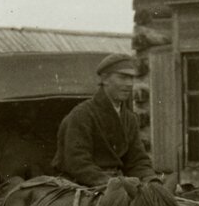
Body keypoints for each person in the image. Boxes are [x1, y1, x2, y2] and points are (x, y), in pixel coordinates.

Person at [51, 53, 160, 186]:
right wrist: (110, 183)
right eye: (122, 77)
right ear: (105, 79)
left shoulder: (130, 119)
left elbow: (137, 160)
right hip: (81, 184)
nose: (129, 84)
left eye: (131, 78)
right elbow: (77, 162)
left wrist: (151, 180)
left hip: (115, 185)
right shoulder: (82, 115)